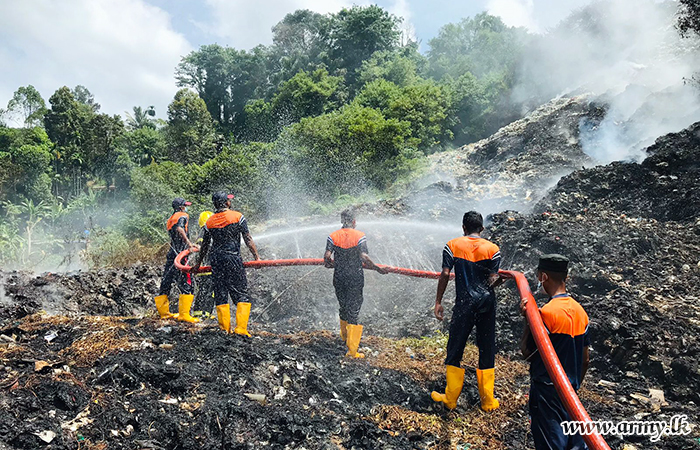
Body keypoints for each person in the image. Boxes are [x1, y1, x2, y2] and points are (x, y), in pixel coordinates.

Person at [431, 211, 502, 411]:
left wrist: (438, 301)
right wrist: (499, 281)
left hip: (464, 303)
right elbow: (492, 280)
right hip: (487, 303)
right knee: (486, 347)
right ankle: (488, 401)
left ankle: (451, 398)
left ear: (463, 228)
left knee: (455, 346)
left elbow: (445, 274)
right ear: (481, 228)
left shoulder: (452, 245)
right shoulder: (493, 249)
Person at [521, 254, 589, 450]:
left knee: (551, 443)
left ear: (543, 277)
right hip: (571, 392)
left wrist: (528, 319)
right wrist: (573, 389)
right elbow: (585, 361)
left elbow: (527, 352)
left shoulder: (546, 313)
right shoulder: (580, 312)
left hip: (547, 393)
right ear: (566, 277)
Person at [194, 192, 260, 336]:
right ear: (227, 203)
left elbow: (205, 246)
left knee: (220, 294)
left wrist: (198, 264)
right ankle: (241, 329)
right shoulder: (237, 217)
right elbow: (247, 238)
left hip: (216, 261)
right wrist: (257, 258)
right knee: (241, 294)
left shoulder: (209, 222)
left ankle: (225, 329)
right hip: (233, 258)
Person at [324, 209, 388, 358]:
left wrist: (336, 265)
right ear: (354, 221)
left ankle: (344, 338)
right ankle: (352, 351)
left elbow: (327, 258)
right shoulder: (359, 236)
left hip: (339, 277)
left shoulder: (333, 236)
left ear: (342, 221)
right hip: (355, 276)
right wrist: (378, 269)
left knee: (343, 306)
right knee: (354, 309)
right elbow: (364, 256)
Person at [153, 198, 199, 322]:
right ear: (180, 207)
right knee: (186, 281)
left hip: (172, 254)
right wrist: (189, 244)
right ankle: (184, 314)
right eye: (184, 205)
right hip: (181, 256)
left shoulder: (171, 218)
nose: (186, 207)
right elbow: (180, 229)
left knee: (166, 280)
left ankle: (164, 313)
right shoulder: (183, 215)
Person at [192, 210, 215, 320]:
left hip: (204, 267)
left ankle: (202, 314)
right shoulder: (205, 231)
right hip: (207, 268)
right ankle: (203, 315)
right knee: (207, 292)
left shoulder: (205, 231)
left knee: (205, 291)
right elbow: (201, 247)